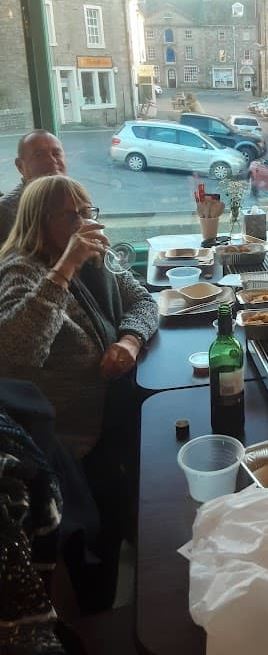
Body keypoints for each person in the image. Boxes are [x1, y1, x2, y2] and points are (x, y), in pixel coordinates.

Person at [0, 175, 158, 611]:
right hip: (70, 440)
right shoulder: (20, 269)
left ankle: (135, 532)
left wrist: (129, 340)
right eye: (71, 215)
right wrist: (64, 269)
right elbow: (16, 352)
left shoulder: (98, 257)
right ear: (38, 222)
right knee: (93, 538)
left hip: (113, 408)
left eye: (88, 212)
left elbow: (144, 301)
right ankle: (96, 612)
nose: (85, 222)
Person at [0, 129, 67, 246]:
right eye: (39, 155)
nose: (51, 160)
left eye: (56, 153)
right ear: (20, 166)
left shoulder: (75, 199)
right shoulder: (5, 211)